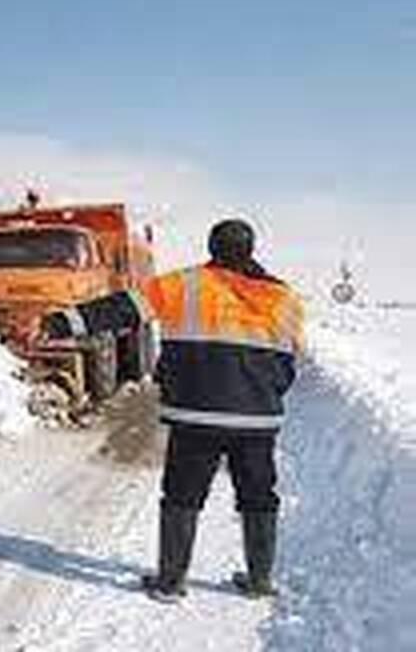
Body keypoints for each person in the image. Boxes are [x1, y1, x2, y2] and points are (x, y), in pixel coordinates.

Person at [41, 219, 304, 603]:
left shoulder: (186, 284)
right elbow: (289, 360)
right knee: (259, 497)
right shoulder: (286, 298)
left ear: (212, 247)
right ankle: (259, 581)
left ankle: (170, 583)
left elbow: (120, 310)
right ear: (251, 249)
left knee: (183, 495)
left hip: (196, 415)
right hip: (258, 420)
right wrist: (264, 395)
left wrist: (59, 322)